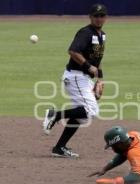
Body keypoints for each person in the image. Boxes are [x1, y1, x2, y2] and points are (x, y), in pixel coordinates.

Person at [42, 4, 107, 158]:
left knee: (81, 115)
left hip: (83, 78)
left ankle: (59, 147)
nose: (99, 19)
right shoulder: (85, 32)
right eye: (96, 16)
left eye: (102, 16)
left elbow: (97, 59)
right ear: (90, 17)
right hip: (76, 76)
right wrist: (87, 66)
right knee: (91, 111)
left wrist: (100, 79)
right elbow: (72, 51)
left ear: (106, 17)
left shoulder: (102, 35)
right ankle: (55, 115)